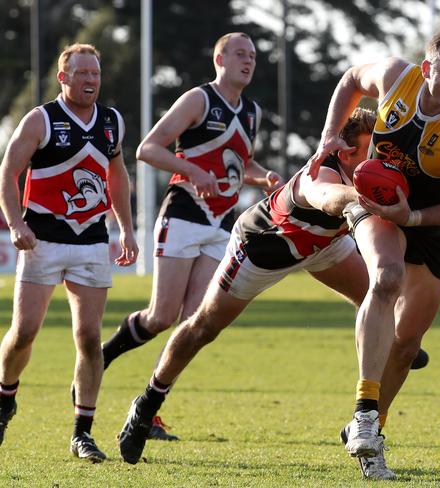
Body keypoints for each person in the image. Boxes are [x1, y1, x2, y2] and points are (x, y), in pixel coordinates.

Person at [116, 108, 385, 466]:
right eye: (372, 152)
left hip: (323, 245)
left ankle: (363, 417)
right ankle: (146, 404)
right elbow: (329, 199)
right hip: (262, 249)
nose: (379, 160)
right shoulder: (319, 175)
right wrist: (366, 199)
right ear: (347, 153)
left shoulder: (366, 168)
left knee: (379, 297)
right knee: (202, 328)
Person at [307, 31, 440, 478]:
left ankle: (369, 427)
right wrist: (330, 135)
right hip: (378, 205)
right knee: (386, 277)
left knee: (406, 345)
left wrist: (413, 218)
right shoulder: (395, 76)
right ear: (427, 69)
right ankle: (366, 415)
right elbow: (351, 78)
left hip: (429, 222)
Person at [96, 32, 282, 440]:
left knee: (193, 325)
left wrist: (262, 175)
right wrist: (194, 171)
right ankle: (102, 356)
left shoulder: (251, 111)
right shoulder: (199, 99)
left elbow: (239, 162)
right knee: (161, 316)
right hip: (182, 214)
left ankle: (149, 410)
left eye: (252, 56)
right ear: (219, 58)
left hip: (221, 226)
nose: (248, 61)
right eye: (239, 54)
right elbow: (148, 148)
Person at [0, 43, 138, 462]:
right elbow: (8, 171)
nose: (90, 80)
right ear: (64, 78)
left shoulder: (112, 122)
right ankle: (5, 398)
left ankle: (82, 432)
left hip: (92, 240)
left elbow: (117, 175)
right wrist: (15, 223)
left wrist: (127, 229)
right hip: (42, 240)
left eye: (95, 73)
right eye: (82, 74)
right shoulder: (41, 119)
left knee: (90, 337)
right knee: (24, 332)